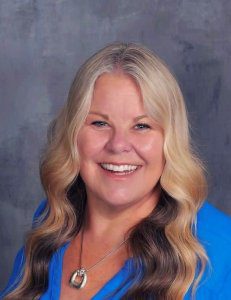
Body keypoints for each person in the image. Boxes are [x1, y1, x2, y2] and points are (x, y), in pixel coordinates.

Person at [1, 42, 231, 300]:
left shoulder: (220, 250)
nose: (118, 145)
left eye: (142, 126)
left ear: (170, 140)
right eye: (99, 123)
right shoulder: (52, 221)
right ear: (73, 133)